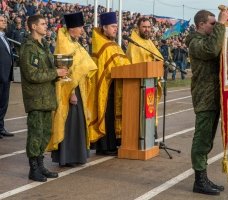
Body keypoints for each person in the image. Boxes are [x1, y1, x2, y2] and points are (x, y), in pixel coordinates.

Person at [185, 9, 228, 195]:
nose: (214, 26)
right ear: (201, 24)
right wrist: (221, 24)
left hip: (214, 96)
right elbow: (212, 50)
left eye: (215, 23)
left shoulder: (208, 39)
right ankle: (199, 181)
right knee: (202, 139)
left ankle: (203, 177)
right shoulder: (195, 42)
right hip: (204, 96)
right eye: (212, 23)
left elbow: (220, 47)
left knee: (208, 140)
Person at [19, 14, 68, 182]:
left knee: (45, 133)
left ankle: (40, 165)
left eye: (46, 23)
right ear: (33, 27)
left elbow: (47, 70)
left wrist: (59, 74)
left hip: (47, 97)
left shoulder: (45, 45)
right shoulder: (28, 47)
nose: (46, 26)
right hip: (36, 99)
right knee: (35, 133)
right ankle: (33, 169)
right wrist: (55, 73)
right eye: (43, 23)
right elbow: (31, 74)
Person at [47, 12, 97, 166]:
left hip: (79, 88)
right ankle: (67, 157)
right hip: (70, 91)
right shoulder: (64, 43)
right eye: (80, 27)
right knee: (70, 123)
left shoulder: (75, 43)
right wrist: (71, 93)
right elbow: (65, 71)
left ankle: (76, 155)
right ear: (72, 28)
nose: (82, 30)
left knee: (78, 123)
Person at [88, 12, 131, 155]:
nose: (115, 29)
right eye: (113, 26)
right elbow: (112, 64)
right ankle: (104, 146)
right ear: (104, 27)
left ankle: (112, 144)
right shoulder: (101, 43)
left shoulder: (112, 43)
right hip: (103, 86)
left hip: (113, 84)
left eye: (116, 26)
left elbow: (121, 61)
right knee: (106, 114)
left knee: (111, 115)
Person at [126, 17, 164, 138]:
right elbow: (135, 65)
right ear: (138, 28)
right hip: (140, 85)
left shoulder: (148, 42)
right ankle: (142, 138)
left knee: (151, 110)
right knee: (141, 112)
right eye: (144, 27)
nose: (147, 29)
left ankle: (151, 137)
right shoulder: (134, 43)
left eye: (148, 27)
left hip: (150, 83)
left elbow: (159, 57)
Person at [0, 14, 14, 139]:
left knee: (4, 104)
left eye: (5, 20)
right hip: (0, 76)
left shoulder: (5, 37)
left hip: (6, 76)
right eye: (2, 20)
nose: (4, 22)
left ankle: (1, 127)